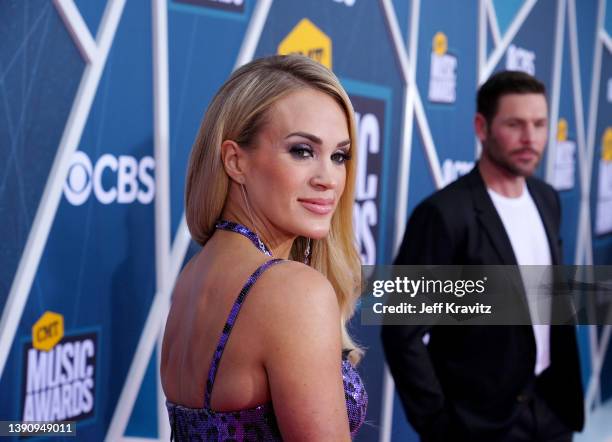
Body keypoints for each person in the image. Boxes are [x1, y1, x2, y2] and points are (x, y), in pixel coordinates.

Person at [160, 54, 367, 441]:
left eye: (339, 156)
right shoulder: (293, 291)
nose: (329, 179)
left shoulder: (193, 277)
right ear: (235, 161)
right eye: (302, 151)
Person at [381, 71, 583, 442]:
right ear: (481, 127)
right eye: (514, 124)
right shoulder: (444, 214)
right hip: (479, 424)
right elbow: (401, 331)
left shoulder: (547, 198)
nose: (530, 137)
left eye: (539, 124)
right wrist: (441, 425)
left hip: (551, 410)